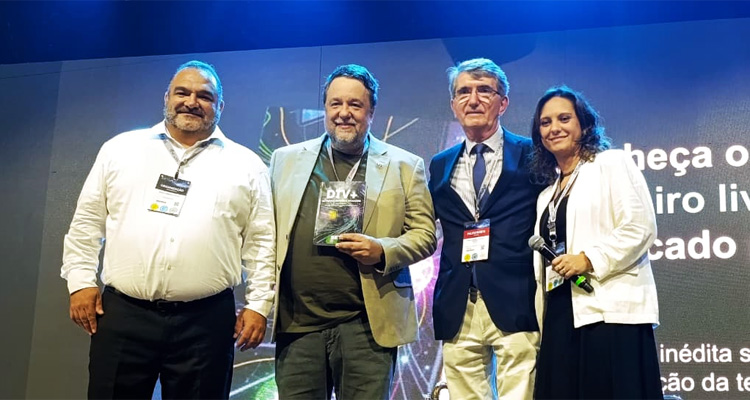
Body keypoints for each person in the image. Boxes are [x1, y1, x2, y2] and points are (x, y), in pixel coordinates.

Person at [61, 60, 276, 399]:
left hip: (206, 322)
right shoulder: (120, 150)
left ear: (220, 106)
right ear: (167, 98)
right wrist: (80, 282)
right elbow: (87, 222)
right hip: (124, 315)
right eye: (182, 92)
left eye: (204, 96)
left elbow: (262, 243)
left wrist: (259, 305)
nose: (192, 102)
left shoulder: (247, 165)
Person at [269, 64, 437, 400]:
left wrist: (383, 250)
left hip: (367, 328)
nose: (344, 113)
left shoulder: (405, 165)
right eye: (336, 103)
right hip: (297, 325)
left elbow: (424, 234)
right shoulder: (284, 160)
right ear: (325, 108)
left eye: (355, 105)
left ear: (371, 111)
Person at [529, 85, 662, 399]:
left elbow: (640, 227)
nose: (554, 128)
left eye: (564, 118)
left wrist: (588, 259)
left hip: (608, 312)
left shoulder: (611, 163)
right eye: (545, 122)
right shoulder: (546, 194)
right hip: (560, 312)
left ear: (584, 125)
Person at [429, 58, 543, 399]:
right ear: (453, 104)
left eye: (484, 91)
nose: (473, 100)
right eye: (464, 92)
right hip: (458, 301)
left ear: (503, 103)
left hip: (515, 297)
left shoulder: (532, 153)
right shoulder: (440, 164)